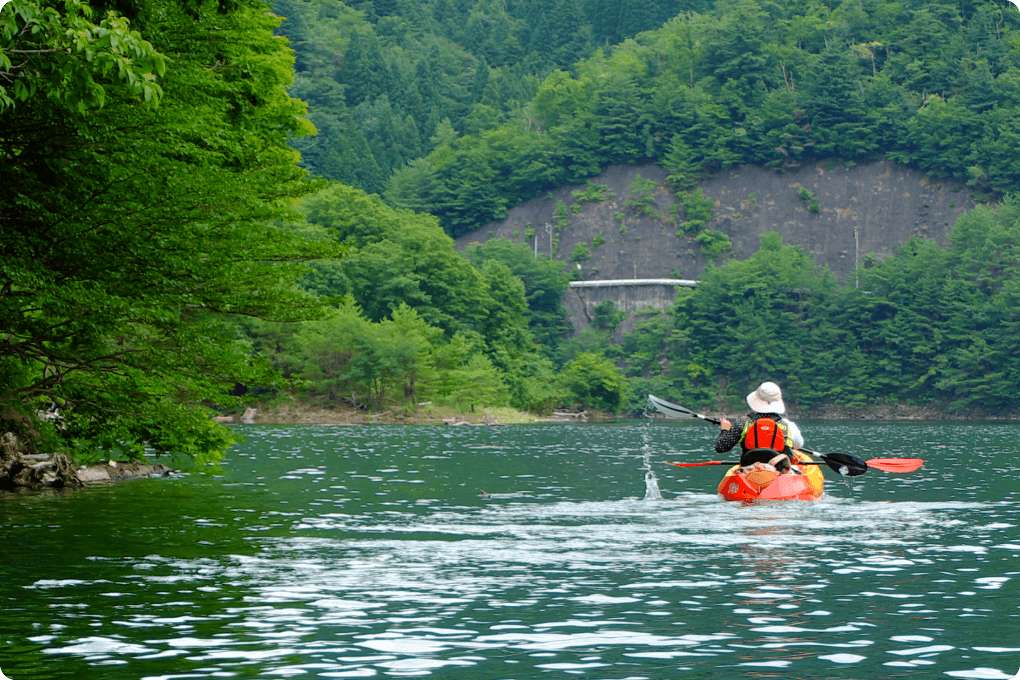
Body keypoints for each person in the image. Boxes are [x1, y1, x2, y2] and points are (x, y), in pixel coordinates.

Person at [714, 381, 804, 471]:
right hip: (778, 472)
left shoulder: (743, 422)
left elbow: (721, 447)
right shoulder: (788, 425)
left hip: (749, 471)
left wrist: (725, 430)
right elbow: (798, 445)